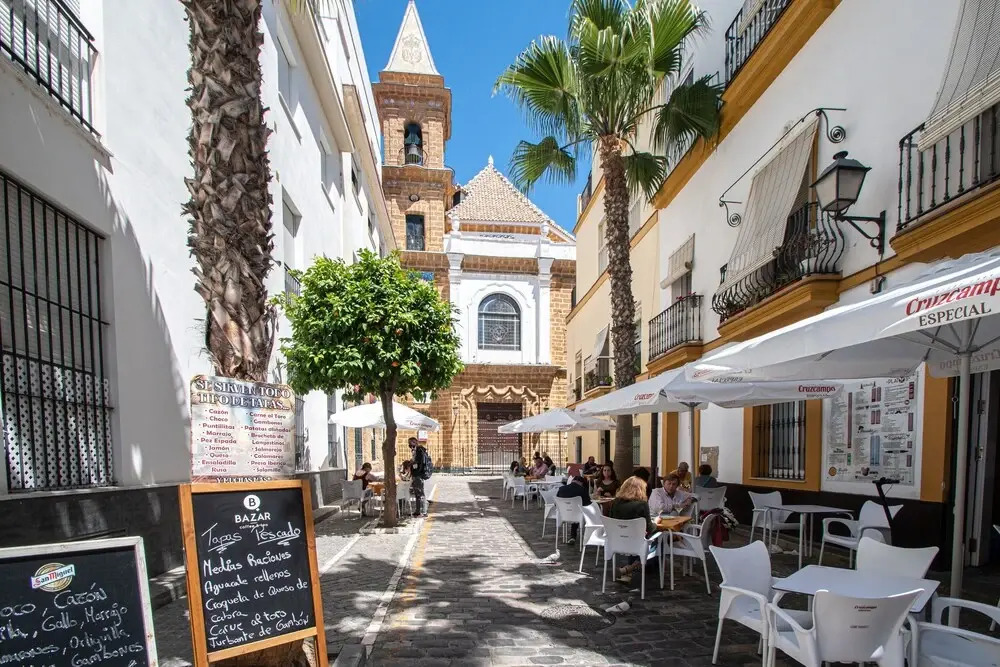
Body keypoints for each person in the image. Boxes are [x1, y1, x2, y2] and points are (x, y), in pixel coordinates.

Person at [609, 476, 660, 581]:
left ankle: (628, 572)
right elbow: (650, 528)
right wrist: (656, 522)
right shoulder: (642, 505)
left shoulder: (615, 502)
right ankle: (632, 567)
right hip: (636, 541)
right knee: (657, 538)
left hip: (618, 540)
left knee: (637, 535)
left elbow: (611, 520)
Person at [556, 475, 592, 543]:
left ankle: (572, 537)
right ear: (581, 483)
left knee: (575, 510)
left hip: (562, 515)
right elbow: (588, 504)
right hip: (576, 516)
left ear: (572, 481)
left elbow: (556, 504)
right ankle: (588, 535)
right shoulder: (582, 490)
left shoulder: (561, 489)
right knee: (578, 510)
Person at [409, 437, 431, 517]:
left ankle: (424, 511)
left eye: (410, 443)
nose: (409, 445)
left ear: (415, 442)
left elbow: (419, 463)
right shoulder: (416, 451)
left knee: (420, 493)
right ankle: (418, 511)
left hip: (418, 475)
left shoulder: (419, 451)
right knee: (417, 494)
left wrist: (412, 463)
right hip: (416, 474)